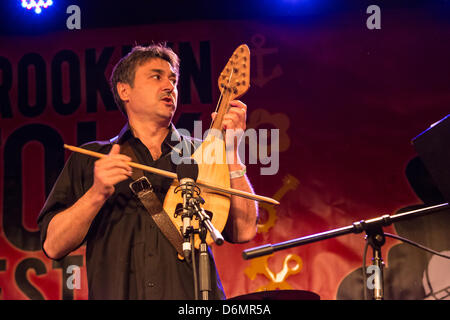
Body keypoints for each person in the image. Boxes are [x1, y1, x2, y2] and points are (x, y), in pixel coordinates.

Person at [37, 44, 258, 300]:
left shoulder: (203, 155)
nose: (169, 86)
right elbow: (53, 246)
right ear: (124, 90)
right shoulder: (92, 159)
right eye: (156, 77)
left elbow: (243, 231)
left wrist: (230, 151)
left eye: (173, 80)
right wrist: (97, 194)